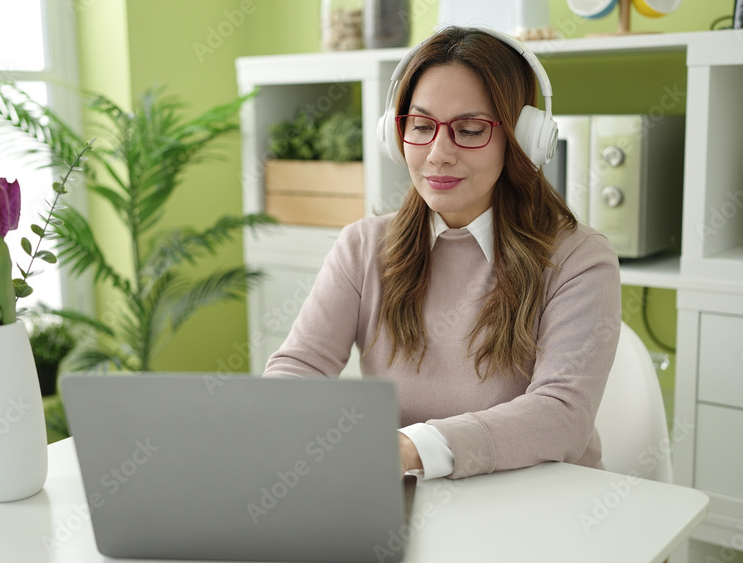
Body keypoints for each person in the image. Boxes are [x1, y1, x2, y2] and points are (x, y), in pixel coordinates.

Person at [263, 26, 621, 480]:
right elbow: (300, 366)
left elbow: (561, 415)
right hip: (413, 498)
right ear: (397, 134)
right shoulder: (363, 247)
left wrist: (414, 447)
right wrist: (273, 419)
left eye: (470, 130)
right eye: (421, 126)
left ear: (522, 138)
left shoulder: (580, 261)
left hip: (544, 502)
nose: (438, 153)